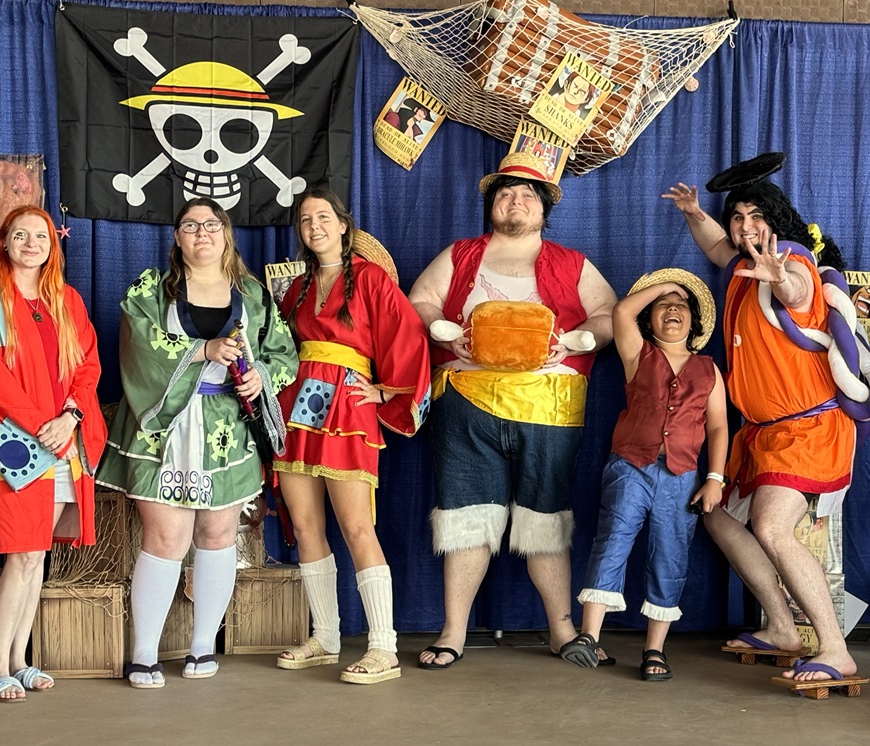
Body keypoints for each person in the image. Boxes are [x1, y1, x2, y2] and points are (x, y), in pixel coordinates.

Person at [409, 152, 616, 669]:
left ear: (543, 209)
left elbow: (610, 314)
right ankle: (453, 630)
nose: (515, 200)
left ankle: (560, 629)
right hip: (468, 402)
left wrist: (574, 341)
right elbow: (420, 302)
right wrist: (447, 333)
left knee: (545, 518)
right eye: (505, 193)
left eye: (527, 194)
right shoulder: (460, 255)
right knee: (465, 518)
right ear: (491, 204)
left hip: (547, 405)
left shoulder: (570, 263)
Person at [662, 153, 861, 682]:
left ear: (778, 221)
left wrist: (781, 277)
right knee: (718, 515)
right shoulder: (741, 266)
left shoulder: (794, 263)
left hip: (807, 428)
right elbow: (715, 246)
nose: (746, 228)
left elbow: (796, 290)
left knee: (772, 528)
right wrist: (692, 212)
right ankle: (781, 627)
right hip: (761, 432)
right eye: (737, 218)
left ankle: (835, 648)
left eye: (756, 217)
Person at [97, 198, 297, 688]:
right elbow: (138, 345)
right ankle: (143, 651)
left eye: (211, 225)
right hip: (163, 426)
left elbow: (283, 351)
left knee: (217, 536)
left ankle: (203, 643)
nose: (202, 233)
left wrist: (261, 378)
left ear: (226, 234)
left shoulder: (251, 294)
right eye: (190, 226)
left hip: (226, 429)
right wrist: (202, 350)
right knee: (165, 538)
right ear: (178, 238)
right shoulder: (151, 287)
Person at [271, 190, 430, 684]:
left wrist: (386, 392)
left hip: (344, 406)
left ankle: (384, 647)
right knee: (305, 525)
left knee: (357, 527)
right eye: (305, 219)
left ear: (343, 225)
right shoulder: (294, 288)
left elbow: (409, 337)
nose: (314, 226)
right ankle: (327, 636)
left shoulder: (371, 280)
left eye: (323, 217)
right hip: (297, 405)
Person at [0, 206, 107, 702]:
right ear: (4, 242)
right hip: (15, 445)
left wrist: (69, 417)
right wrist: (40, 425)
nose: (30, 243)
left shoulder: (66, 301)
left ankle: (21, 658)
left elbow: (88, 364)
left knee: (37, 553)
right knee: (21, 552)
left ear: (52, 244)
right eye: (19, 235)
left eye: (39, 235)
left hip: (63, 439)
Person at [559, 269, 727, 681]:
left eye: (681, 306)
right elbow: (621, 310)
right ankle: (589, 637)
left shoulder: (709, 370)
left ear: (695, 321)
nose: (672, 309)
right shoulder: (637, 354)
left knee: (670, 554)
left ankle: (654, 649)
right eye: (662, 307)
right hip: (629, 466)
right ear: (648, 320)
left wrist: (715, 478)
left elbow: (719, 426)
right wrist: (666, 286)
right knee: (613, 539)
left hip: (681, 475)